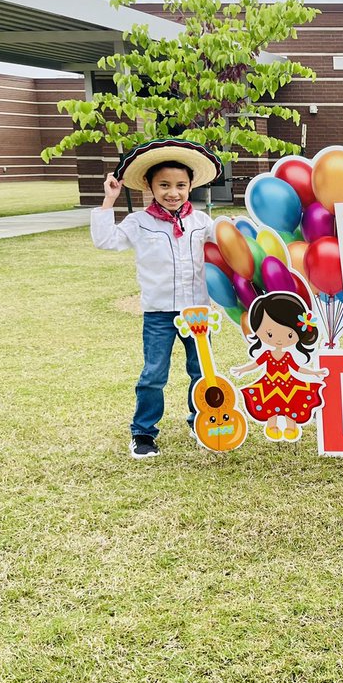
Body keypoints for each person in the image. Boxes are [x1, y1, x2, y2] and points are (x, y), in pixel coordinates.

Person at [91, 138, 222, 458]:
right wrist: (110, 200)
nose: (172, 192)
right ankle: (143, 433)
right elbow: (106, 240)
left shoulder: (202, 222)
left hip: (197, 312)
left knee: (201, 371)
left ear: (191, 186)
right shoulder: (140, 222)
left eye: (180, 185)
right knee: (153, 374)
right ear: (149, 185)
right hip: (159, 312)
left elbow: (227, 248)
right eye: (164, 185)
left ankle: (201, 419)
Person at [230, 291, 327, 441]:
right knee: (271, 406)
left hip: (288, 384)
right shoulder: (267, 355)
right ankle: (272, 427)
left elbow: (297, 368)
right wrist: (241, 369)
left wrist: (314, 372)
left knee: (291, 406)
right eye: (269, 334)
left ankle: (291, 428)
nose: (280, 339)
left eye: (289, 335)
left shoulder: (288, 356)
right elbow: (256, 364)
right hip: (269, 384)